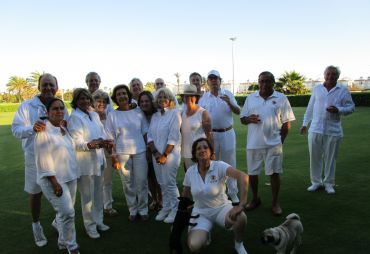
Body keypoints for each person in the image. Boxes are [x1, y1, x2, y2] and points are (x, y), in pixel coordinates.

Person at [11, 73, 68, 247]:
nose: (48, 88)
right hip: (33, 158)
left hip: (58, 157)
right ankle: (36, 226)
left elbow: (66, 128)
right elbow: (16, 129)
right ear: (38, 87)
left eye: (52, 85)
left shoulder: (60, 105)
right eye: (45, 85)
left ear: (57, 87)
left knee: (61, 192)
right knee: (36, 194)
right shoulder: (26, 106)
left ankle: (59, 222)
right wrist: (32, 128)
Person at [240, 71, 295, 216]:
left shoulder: (281, 98)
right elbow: (242, 119)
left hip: (273, 144)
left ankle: (275, 203)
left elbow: (286, 123)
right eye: (261, 81)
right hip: (253, 143)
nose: (263, 84)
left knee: (275, 173)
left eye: (267, 81)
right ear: (258, 82)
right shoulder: (251, 98)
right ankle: (255, 199)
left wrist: (280, 142)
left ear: (273, 83)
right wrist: (248, 119)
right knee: (252, 173)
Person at [182, 138, 249, 254]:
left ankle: (239, 244)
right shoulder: (190, 172)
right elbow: (185, 194)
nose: (202, 150)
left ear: (211, 152)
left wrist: (241, 204)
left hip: (221, 209)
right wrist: (182, 213)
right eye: (198, 148)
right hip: (200, 212)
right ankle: (206, 233)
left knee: (241, 217)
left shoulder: (219, 166)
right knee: (194, 246)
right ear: (194, 154)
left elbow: (243, 176)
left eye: (205, 147)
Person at [300, 65, 355, 194]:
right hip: (315, 129)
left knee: (331, 159)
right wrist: (304, 124)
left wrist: (338, 110)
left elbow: (351, 107)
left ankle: (329, 183)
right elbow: (310, 108)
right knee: (315, 157)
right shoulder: (317, 89)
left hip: (333, 130)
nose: (331, 76)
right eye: (328, 74)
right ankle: (316, 182)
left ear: (338, 76)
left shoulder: (343, 90)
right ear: (324, 75)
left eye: (334, 74)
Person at [34, 98, 79, 254]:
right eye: (55, 109)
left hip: (70, 175)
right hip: (53, 179)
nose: (59, 111)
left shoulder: (63, 129)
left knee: (65, 211)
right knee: (67, 212)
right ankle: (72, 247)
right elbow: (44, 158)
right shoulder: (43, 131)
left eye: (61, 108)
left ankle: (62, 241)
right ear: (47, 112)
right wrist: (54, 182)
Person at [68, 88, 110, 239]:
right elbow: (75, 142)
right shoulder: (75, 118)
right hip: (84, 162)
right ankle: (90, 226)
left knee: (98, 194)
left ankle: (99, 221)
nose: (85, 101)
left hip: (99, 159)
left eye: (87, 98)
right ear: (76, 101)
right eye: (81, 99)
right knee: (87, 198)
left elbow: (102, 132)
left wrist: (105, 141)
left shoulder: (94, 114)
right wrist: (89, 145)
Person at [105, 85, 149, 221]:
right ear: (115, 98)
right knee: (128, 183)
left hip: (140, 151)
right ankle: (133, 210)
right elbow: (110, 138)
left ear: (128, 95)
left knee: (141, 181)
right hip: (122, 153)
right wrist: (114, 156)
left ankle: (143, 209)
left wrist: (148, 150)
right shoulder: (112, 115)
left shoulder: (138, 112)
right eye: (118, 94)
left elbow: (145, 132)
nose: (122, 96)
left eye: (124, 93)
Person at [198, 70, 240, 203]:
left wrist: (230, 103)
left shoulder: (228, 94)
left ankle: (233, 192)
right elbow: (198, 117)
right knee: (213, 164)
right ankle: (217, 192)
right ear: (208, 82)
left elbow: (238, 111)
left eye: (216, 78)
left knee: (230, 163)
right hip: (211, 134)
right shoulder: (203, 98)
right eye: (211, 79)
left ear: (220, 81)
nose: (213, 81)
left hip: (228, 133)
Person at [147, 87, 181, 223]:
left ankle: (176, 209)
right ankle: (166, 207)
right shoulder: (155, 116)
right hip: (157, 155)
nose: (161, 100)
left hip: (170, 155)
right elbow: (149, 136)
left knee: (170, 182)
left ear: (170, 100)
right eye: (159, 97)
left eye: (164, 97)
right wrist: (155, 152)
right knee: (161, 182)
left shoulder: (175, 114)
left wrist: (165, 154)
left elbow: (173, 137)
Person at [92, 89, 119, 217]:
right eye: (98, 101)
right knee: (96, 182)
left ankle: (107, 206)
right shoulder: (90, 116)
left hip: (109, 152)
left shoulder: (110, 116)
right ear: (93, 103)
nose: (101, 104)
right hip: (94, 153)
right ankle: (96, 207)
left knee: (107, 180)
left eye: (104, 101)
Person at [138, 91, 162, 211]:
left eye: (147, 101)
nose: (144, 103)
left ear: (151, 101)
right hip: (144, 149)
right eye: (142, 101)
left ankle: (162, 199)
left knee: (158, 176)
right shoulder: (138, 113)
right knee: (150, 177)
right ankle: (155, 199)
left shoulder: (158, 113)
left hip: (157, 148)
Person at [180, 84, 213, 170]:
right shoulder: (181, 114)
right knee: (191, 179)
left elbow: (209, 134)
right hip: (187, 153)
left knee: (203, 179)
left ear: (196, 98)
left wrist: (212, 153)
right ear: (183, 98)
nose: (189, 99)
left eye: (192, 96)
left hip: (201, 153)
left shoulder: (203, 113)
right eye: (186, 96)